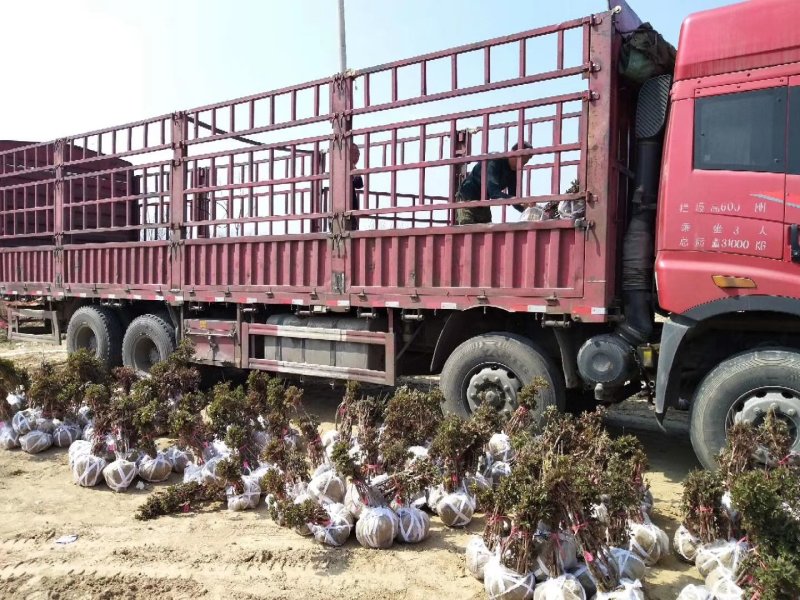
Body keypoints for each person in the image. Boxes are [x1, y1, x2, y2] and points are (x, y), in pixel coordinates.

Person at [455, 141, 533, 225]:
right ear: (512, 153)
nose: (521, 166)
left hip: (483, 203)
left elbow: (513, 198)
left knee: (487, 235)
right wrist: (518, 201)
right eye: (521, 161)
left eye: (524, 163)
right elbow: (494, 193)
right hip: (466, 199)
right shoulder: (495, 160)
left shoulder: (515, 172)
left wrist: (528, 209)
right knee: (467, 232)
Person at [348, 143, 364, 231]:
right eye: (356, 152)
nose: (358, 155)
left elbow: (359, 185)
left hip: (349, 209)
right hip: (346, 210)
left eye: (358, 153)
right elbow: (358, 184)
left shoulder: (351, 167)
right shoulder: (344, 167)